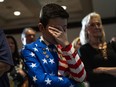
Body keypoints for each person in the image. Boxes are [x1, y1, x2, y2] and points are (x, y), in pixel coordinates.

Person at [21, 3, 86, 87]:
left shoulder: (66, 48)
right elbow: (41, 80)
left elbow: (81, 77)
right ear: (41, 28)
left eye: (64, 28)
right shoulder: (29, 49)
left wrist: (66, 45)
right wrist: (73, 83)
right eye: (55, 29)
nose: (61, 34)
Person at [79, 12, 116, 87]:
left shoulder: (113, 45)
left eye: (98, 24)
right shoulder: (84, 50)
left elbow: (94, 74)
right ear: (86, 29)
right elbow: (89, 76)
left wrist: (101, 69)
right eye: (92, 25)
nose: (97, 27)